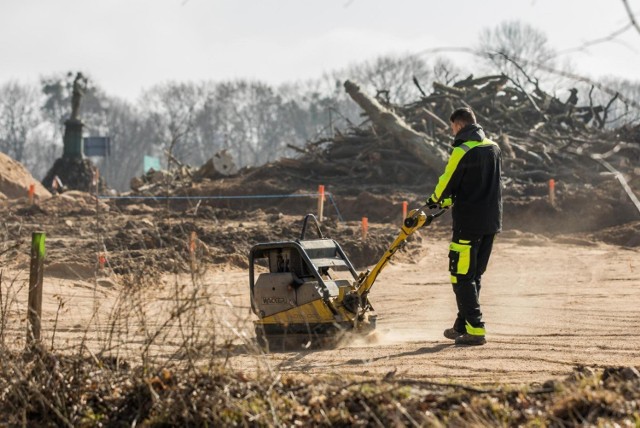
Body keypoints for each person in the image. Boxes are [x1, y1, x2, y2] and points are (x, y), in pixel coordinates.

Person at [425, 107, 502, 346]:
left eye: (452, 128)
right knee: (474, 275)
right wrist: (450, 200)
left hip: (469, 223)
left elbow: (447, 181)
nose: (452, 132)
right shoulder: (493, 147)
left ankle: (476, 328)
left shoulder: (463, 150)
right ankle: (462, 324)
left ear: (458, 125)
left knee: (461, 275)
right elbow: (475, 184)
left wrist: (434, 200)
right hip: (491, 222)